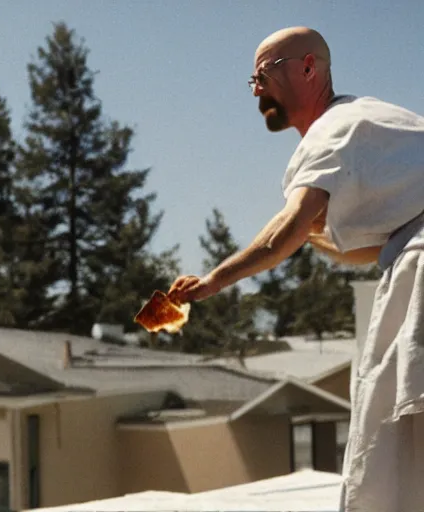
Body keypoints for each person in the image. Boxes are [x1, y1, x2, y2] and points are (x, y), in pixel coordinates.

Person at [168, 26, 424, 512]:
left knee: (395, 436)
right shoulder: (373, 122)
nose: (257, 89)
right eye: (253, 80)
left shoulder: (333, 128)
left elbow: (280, 235)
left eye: (264, 73)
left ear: (308, 68)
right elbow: (365, 244)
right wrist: (306, 232)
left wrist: (211, 282)